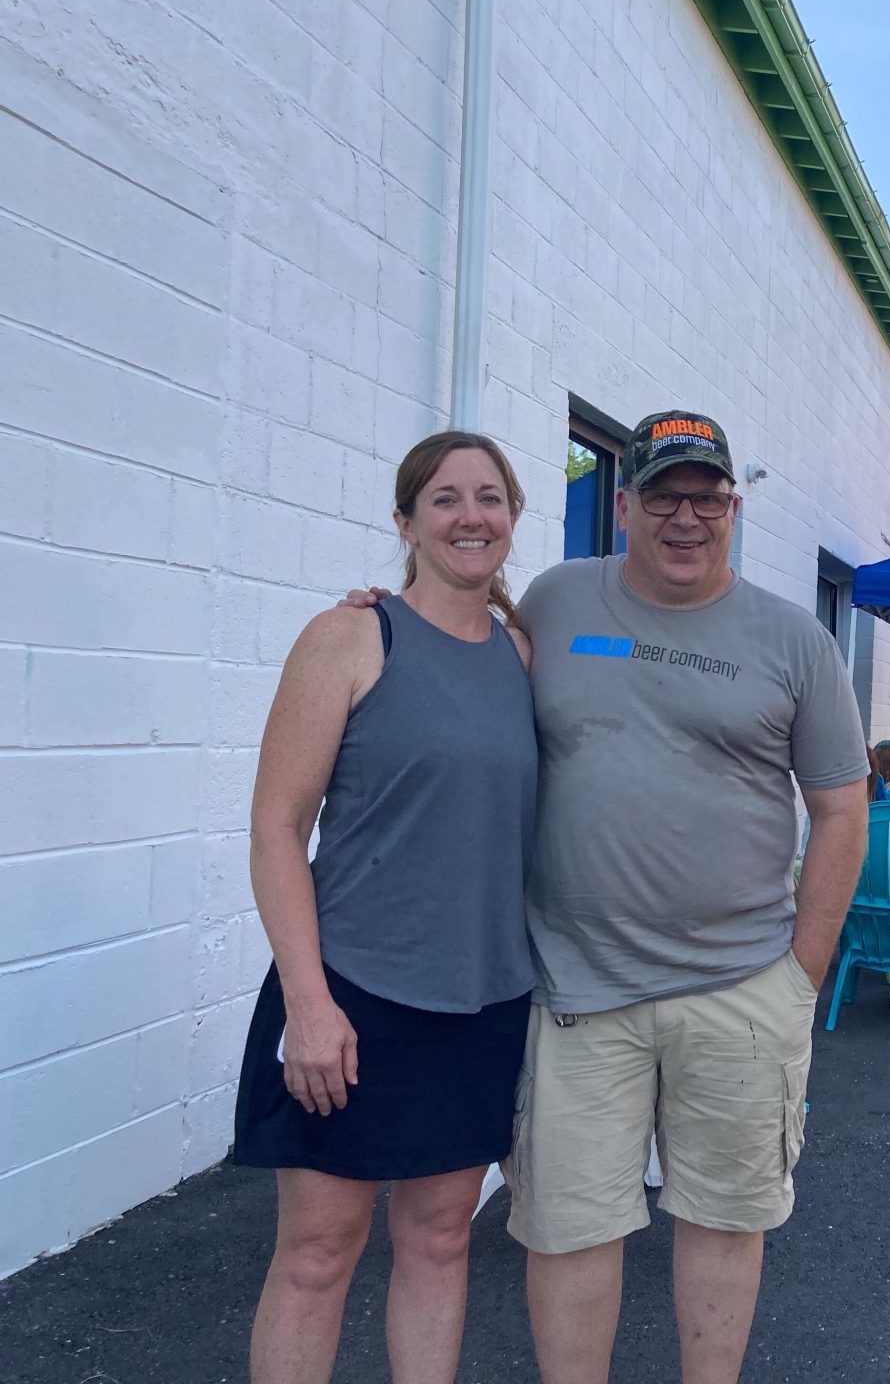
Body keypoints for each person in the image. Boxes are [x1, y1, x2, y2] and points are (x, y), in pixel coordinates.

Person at [348, 409, 869, 1384]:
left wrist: (803, 975)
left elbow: (841, 812)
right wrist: (392, 607)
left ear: (733, 508)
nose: (684, 518)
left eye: (704, 497)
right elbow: (464, 638)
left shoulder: (795, 641)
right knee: (569, 1228)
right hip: (576, 988)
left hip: (743, 985)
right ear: (622, 504)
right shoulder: (556, 603)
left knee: (723, 1218)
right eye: (662, 495)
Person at [238, 432, 538, 1384]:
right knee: (319, 1255)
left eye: (489, 498)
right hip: (353, 996)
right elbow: (277, 829)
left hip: (484, 1000)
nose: (470, 517)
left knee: (442, 1241)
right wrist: (309, 1005)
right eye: (445, 500)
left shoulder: (528, 655)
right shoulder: (350, 637)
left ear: (513, 519)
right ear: (404, 523)